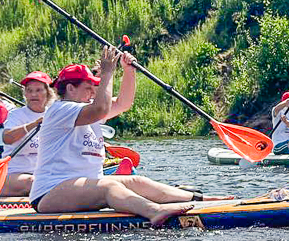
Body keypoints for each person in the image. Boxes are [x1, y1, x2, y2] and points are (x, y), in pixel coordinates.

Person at [30, 47, 229, 225]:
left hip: (82, 186)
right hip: (50, 193)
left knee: (137, 182)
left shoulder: (86, 110)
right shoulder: (61, 110)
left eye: (94, 88)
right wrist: (108, 73)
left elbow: (123, 103)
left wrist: (128, 71)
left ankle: (201, 200)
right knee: (109, 186)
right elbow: (100, 108)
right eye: (88, 88)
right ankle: (155, 212)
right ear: (71, 88)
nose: (93, 92)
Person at [1, 71, 55, 196]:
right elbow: (7, 138)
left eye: (38, 90)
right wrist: (33, 124)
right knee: (34, 182)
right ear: (25, 94)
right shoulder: (16, 115)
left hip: (44, 175)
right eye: (29, 90)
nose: (33, 94)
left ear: (48, 93)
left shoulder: (53, 115)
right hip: (14, 174)